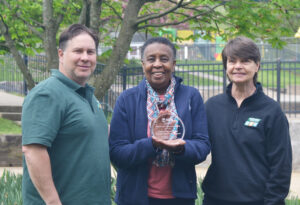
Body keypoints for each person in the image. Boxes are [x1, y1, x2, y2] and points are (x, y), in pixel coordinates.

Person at [109, 37, 210, 205]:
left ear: (174, 63)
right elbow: (117, 153)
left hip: (179, 198)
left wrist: (180, 148)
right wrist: (152, 145)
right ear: (143, 64)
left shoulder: (191, 97)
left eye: (164, 59)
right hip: (136, 198)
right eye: (151, 59)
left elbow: (202, 146)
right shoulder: (127, 99)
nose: (157, 64)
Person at [21, 24, 111, 205]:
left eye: (90, 52)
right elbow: (33, 151)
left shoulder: (88, 96)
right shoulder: (47, 94)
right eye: (78, 51)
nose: (85, 58)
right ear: (61, 55)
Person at [202, 36, 292, 205]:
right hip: (215, 199)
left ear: (257, 65)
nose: (238, 66)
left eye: (245, 61)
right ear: (226, 66)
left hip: (258, 201)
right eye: (232, 61)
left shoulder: (271, 111)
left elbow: (281, 166)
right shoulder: (212, 107)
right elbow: (198, 147)